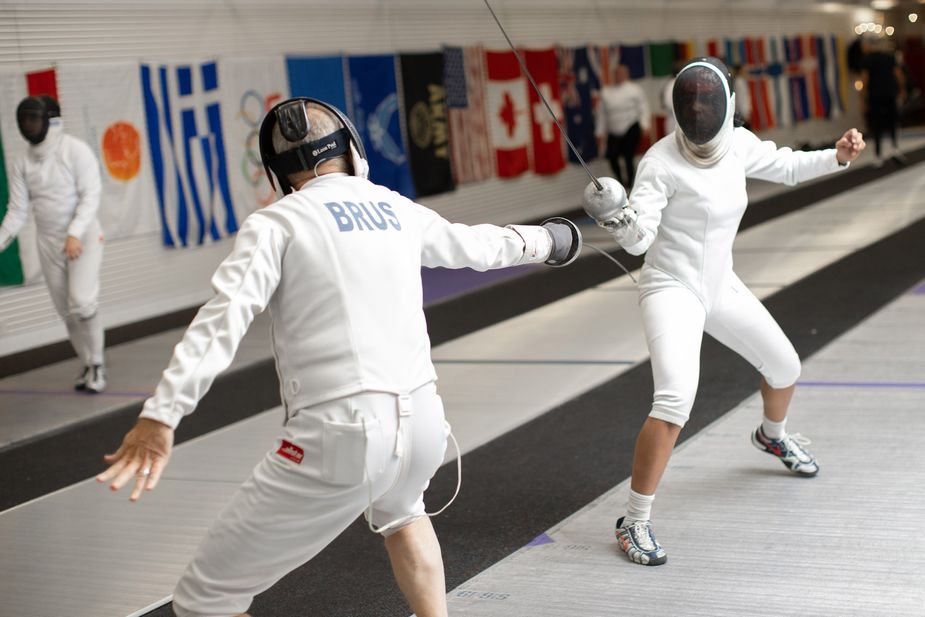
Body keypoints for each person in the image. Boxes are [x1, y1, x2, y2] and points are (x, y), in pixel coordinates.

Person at [97, 97, 582, 617]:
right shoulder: (391, 205)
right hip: (422, 425)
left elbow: (224, 319)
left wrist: (161, 415)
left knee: (204, 598)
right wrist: (554, 239)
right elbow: (479, 247)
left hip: (340, 434)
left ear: (280, 172)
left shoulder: (277, 223)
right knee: (403, 513)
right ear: (351, 147)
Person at [583, 57, 864, 566]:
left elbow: (788, 165)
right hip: (672, 287)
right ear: (678, 110)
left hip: (719, 283)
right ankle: (634, 519)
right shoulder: (660, 162)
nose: (699, 112)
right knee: (674, 400)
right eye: (691, 105)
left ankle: (770, 437)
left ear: (727, 107)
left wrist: (837, 156)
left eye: (708, 104)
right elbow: (641, 239)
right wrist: (620, 219)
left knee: (786, 367)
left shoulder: (738, 143)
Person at [0, 95, 106, 392]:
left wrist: (74, 231)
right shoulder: (22, 162)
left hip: (83, 236)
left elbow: (91, 195)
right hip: (48, 241)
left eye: (34, 119)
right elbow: (17, 211)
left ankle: (98, 364)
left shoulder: (76, 151)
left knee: (83, 302)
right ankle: (86, 363)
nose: (29, 125)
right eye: (24, 120)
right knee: (66, 311)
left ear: (50, 120)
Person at [596, 64, 651, 189]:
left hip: (631, 126)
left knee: (628, 157)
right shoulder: (606, 92)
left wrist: (645, 124)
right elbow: (602, 115)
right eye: (616, 73)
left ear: (626, 74)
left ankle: (631, 184)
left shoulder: (634, 89)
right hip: (614, 129)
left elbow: (643, 107)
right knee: (612, 157)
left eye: (621, 73)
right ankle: (621, 182)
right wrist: (599, 132)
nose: (618, 76)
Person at [861, 37, 905, 165]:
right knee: (893, 122)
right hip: (890, 94)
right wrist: (902, 90)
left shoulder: (867, 60)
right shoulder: (889, 57)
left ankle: (878, 155)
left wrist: (862, 98)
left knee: (877, 125)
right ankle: (895, 148)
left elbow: (865, 80)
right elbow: (899, 75)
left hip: (875, 96)